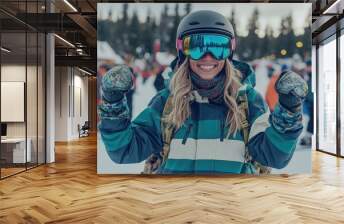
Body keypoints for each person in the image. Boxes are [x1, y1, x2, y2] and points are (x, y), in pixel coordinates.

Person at [98, 10, 308, 174]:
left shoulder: (248, 101)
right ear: (183, 51)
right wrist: (113, 102)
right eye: (196, 47)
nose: (208, 56)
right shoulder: (165, 102)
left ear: (229, 52)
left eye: (218, 47)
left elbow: (275, 156)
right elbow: (124, 151)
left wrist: (289, 110)